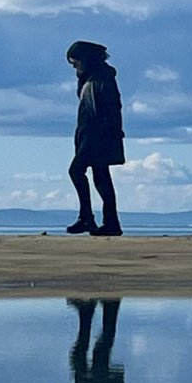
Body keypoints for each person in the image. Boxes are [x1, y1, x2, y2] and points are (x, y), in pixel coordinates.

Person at [65, 40, 125, 236]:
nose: (74, 66)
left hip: (97, 135)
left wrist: (110, 131)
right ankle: (107, 221)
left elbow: (112, 108)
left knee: (78, 171)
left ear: (86, 60)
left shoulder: (102, 79)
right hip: (88, 134)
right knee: (100, 176)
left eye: (76, 62)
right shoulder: (90, 78)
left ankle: (89, 218)